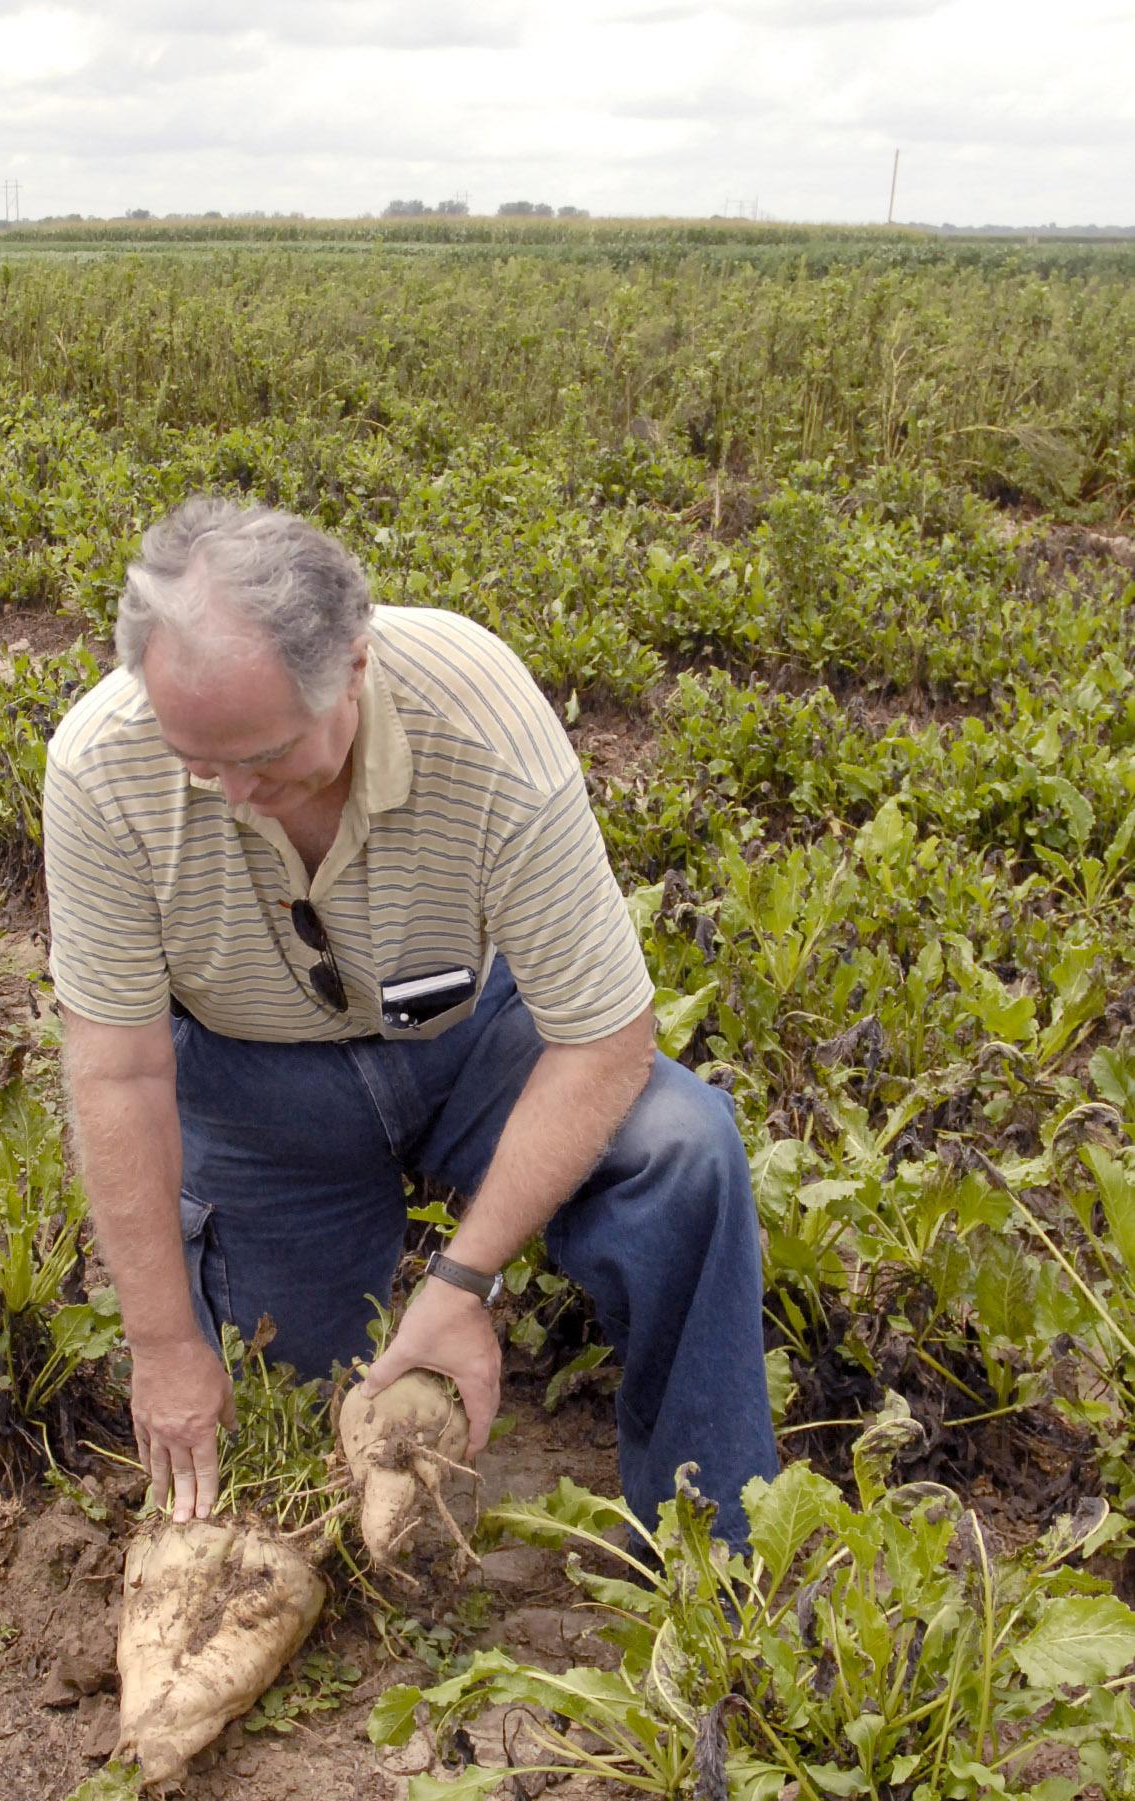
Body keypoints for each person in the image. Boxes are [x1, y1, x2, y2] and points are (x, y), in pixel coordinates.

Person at [42, 497, 777, 1547]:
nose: (238, 791)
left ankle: (714, 1549)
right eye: (200, 759)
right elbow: (118, 1075)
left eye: (269, 753)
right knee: (282, 1416)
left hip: (470, 1041)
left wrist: (464, 1283)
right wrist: (161, 1341)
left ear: (352, 664)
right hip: (260, 1096)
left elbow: (605, 1037)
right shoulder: (100, 768)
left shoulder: (478, 712)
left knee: (683, 1151)